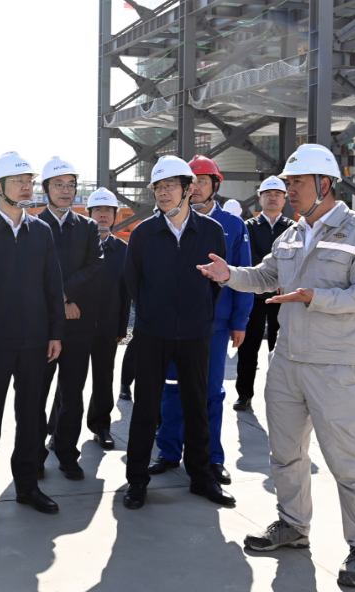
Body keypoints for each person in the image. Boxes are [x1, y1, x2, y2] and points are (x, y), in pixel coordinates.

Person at [200, 143, 355, 588]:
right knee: (285, 454)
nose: (290, 191)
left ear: (325, 183)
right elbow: (266, 276)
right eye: (287, 183)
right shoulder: (292, 235)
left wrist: (314, 298)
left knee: (351, 461)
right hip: (286, 361)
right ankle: (292, 525)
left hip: (334, 365)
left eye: (298, 183)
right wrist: (230, 275)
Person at [0, 151, 65, 523]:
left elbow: (53, 287)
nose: (26, 187)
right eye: (19, 181)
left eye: (29, 181)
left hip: (35, 342)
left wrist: (55, 332)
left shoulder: (41, 232)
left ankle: (27, 486)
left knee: (31, 419)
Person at [122, 155, 234, 510]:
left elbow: (216, 284)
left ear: (188, 189)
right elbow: (132, 283)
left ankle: (201, 478)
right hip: (152, 335)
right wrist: (154, 316)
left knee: (197, 407)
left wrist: (198, 316)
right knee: (145, 409)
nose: (163, 192)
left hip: (196, 334)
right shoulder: (143, 233)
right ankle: (137, 481)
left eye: (170, 185)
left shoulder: (211, 232)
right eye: (158, 187)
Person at [149, 156, 252, 486]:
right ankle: (168, 451)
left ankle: (211, 457)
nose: (195, 188)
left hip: (214, 325)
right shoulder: (167, 222)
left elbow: (244, 274)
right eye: (191, 182)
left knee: (210, 392)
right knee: (172, 389)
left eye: (203, 182)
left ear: (215, 185)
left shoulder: (231, 225)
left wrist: (240, 320)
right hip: (173, 326)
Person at [35, 157, 103, 480]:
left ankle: (66, 453)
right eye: (59, 184)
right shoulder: (33, 226)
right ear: (46, 188)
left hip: (78, 324)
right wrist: (60, 303)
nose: (65, 190)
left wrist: (65, 296)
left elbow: (95, 265)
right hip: (42, 325)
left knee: (73, 394)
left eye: (71, 185)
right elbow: (29, 272)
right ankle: (34, 454)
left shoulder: (87, 227)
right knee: (36, 394)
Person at [56, 188, 131, 450]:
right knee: (68, 381)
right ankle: (57, 429)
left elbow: (125, 292)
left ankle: (101, 426)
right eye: (98, 210)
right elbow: (60, 280)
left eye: (108, 210)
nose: (103, 215)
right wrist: (66, 304)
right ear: (88, 214)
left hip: (106, 326)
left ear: (115, 215)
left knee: (103, 378)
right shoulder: (77, 247)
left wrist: (121, 326)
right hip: (74, 325)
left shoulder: (123, 250)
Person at [234, 177, 296, 409]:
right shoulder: (248, 227)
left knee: (280, 348)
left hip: (282, 296)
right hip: (254, 297)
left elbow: (297, 258)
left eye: (277, 194)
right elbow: (246, 257)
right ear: (260, 199)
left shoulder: (293, 228)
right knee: (248, 348)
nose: (272, 198)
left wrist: (282, 279)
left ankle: (281, 395)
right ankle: (244, 394)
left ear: (284, 199)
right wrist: (269, 277)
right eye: (268, 194)